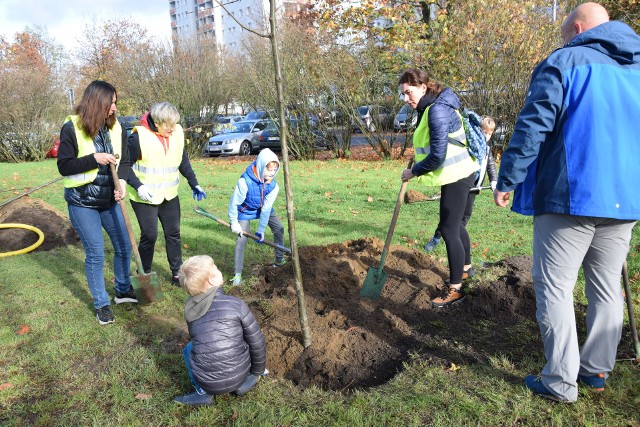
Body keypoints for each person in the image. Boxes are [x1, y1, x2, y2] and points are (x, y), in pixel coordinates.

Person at [494, 2, 640, 403]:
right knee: (607, 287)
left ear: (577, 28)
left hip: (571, 194)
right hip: (625, 199)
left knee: (555, 288)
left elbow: (533, 124)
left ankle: (560, 381)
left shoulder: (566, 60)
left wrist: (508, 177)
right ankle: (595, 370)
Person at [57, 80, 138, 325]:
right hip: (83, 202)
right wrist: (94, 158)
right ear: (97, 102)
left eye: (115, 102)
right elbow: (64, 166)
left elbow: (124, 161)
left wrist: (121, 185)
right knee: (96, 253)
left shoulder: (117, 128)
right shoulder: (72, 127)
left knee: (124, 246)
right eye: (110, 103)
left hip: (109, 200)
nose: (114, 108)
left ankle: (123, 290)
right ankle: (102, 303)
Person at [399, 69, 480, 307]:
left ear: (423, 87)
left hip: (457, 174)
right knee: (455, 225)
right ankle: (466, 269)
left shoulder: (436, 110)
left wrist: (413, 171)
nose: (406, 99)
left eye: (408, 93)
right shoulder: (433, 106)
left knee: (448, 229)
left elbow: (438, 156)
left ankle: (455, 288)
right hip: (461, 172)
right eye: (403, 94)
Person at [124, 102, 207, 285]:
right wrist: (138, 186)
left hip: (168, 194)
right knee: (150, 235)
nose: (172, 129)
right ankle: (143, 274)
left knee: (173, 233)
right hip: (144, 197)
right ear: (157, 121)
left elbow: (182, 160)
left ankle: (177, 273)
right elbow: (124, 166)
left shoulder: (176, 132)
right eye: (167, 125)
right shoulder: (138, 137)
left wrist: (195, 184)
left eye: (174, 124)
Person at [174, 255, 267, 406]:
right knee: (244, 335)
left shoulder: (190, 310)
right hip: (241, 376)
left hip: (208, 383)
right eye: (216, 268)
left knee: (189, 348)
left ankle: (202, 392)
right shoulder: (236, 304)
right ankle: (242, 384)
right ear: (211, 280)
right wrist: (256, 373)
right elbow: (257, 342)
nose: (219, 270)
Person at [424, 116, 498, 254]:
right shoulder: (470, 144)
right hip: (460, 185)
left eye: (489, 133)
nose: (486, 136)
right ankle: (436, 238)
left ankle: (455, 238)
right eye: (484, 132)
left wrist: (493, 180)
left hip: (473, 189)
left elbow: (491, 166)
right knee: (450, 215)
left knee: (465, 215)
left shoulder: (486, 149)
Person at [228, 148, 285, 286]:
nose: (271, 174)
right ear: (260, 166)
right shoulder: (245, 181)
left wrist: (261, 229)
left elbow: (266, 209)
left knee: (279, 229)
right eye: (268, 170)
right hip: (245, 210)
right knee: (242, 238)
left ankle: (279, 261)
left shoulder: (273, 186)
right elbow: (234, 203)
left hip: (261, 209)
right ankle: (237, 274)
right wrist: (234, 222)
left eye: (274, 170)